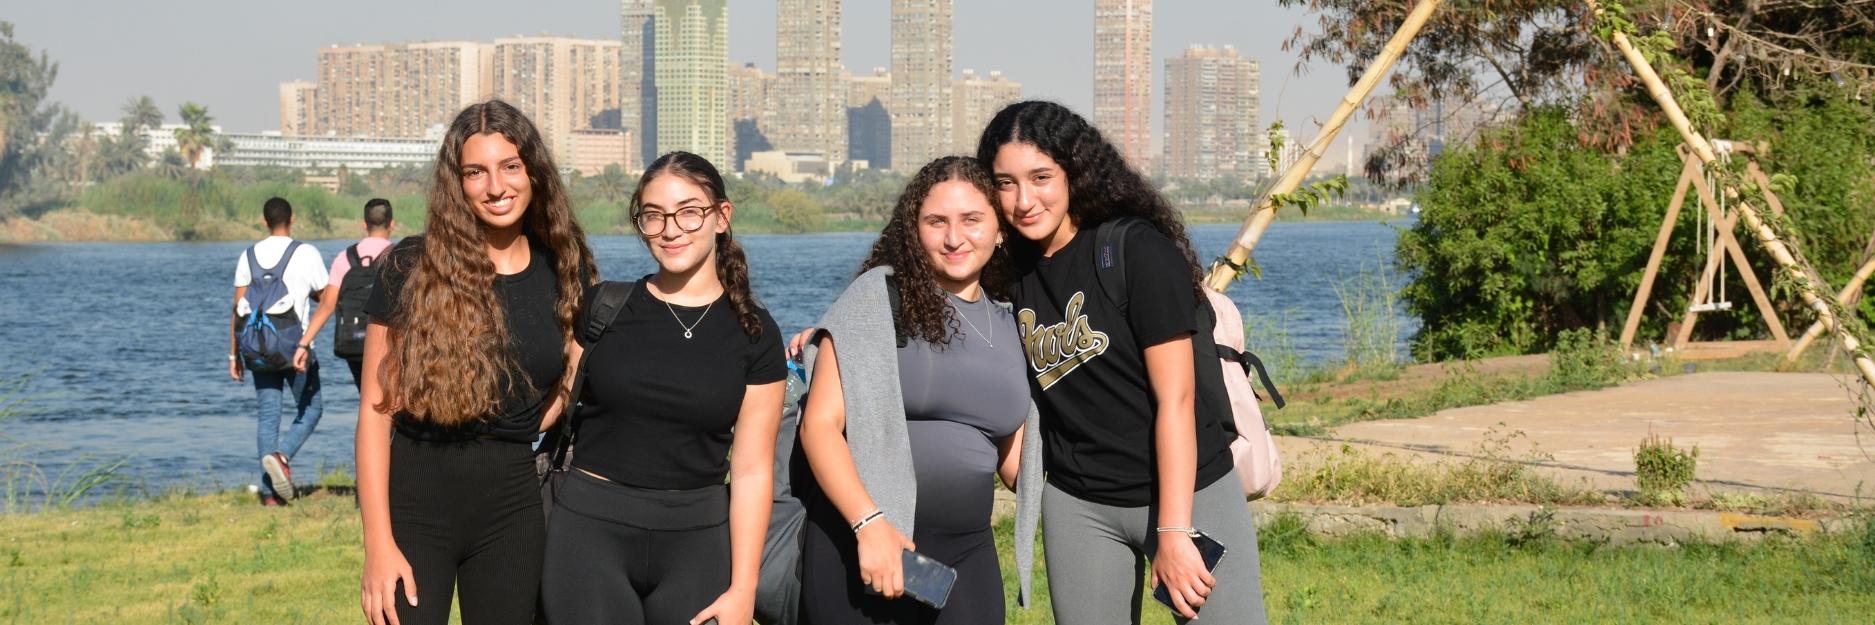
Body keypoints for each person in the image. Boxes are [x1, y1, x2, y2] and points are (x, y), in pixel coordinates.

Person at [976, 100, 1269, 625]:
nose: (1023, 200)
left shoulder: (1134, 251)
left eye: (1040, 177)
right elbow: (925, 280)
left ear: (1074, 171)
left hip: (1189, 490)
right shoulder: (1007, 270)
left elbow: (1175, 399)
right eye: (1005, 183)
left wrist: (1175, 532)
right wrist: (835, 331)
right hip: (1080, 504)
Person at [356, 100, 596, 625]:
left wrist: (532, 418)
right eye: (476, 172)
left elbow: (573, 376)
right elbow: (375, 416)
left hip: (512, 505)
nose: (496, 186)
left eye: (510, 166)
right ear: (456, 183)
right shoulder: (410, 266)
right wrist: (378, 544)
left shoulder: (565, 267)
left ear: (533, 172)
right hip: (416, 501)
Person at [539, 151, 785, 625]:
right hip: (589, 533)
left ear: (721, 217)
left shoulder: (756, 333)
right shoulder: (603, 308)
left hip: (698, 540)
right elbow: (550, 405)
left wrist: (744, 589)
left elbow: (753, 471)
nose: (671, 229)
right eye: (653, 216)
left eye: (689, 211)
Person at [794, 156, 1039, 625]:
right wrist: (869, 526)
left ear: (1001, 228)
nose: (954, 237)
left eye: (972, 220)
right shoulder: (878, 299)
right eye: (936, 222)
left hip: (967, 554)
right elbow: (820, 426)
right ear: (914, 229)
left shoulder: (1013, 323)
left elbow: (1015, 464)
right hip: (861, 546)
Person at [227, 196, 328, 505]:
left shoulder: (249, 255)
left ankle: (270, 495)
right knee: (312, 408)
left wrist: (233, 355)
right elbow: (326, 298)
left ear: (264, 221)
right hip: (294, 348)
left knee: (268, 416)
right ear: (292, 219)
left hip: (256, 348)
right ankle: (282, 458)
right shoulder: (305, 252)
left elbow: (238, 309)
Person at [299, 198, 396, 390]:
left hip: (353, 343)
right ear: (392, 224)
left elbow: (327, 304)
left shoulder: (345, 258)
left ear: (364, 224)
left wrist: (303, 344)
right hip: (388, 345)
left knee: (366, 397)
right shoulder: (397, 256)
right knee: (388, 402)